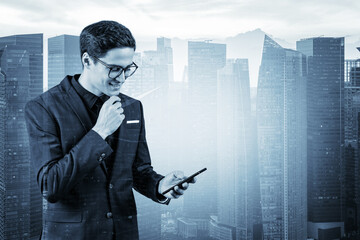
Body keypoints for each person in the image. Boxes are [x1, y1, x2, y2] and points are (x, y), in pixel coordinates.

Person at [25, 20, 196, 240]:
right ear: (87, 60)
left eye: (128, 69)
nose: (122, 78)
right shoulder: (43, 108)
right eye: (114, 69)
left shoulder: (133, 107)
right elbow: (50, 186)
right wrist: (99, 132)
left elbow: (138, 171)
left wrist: (161, 185)